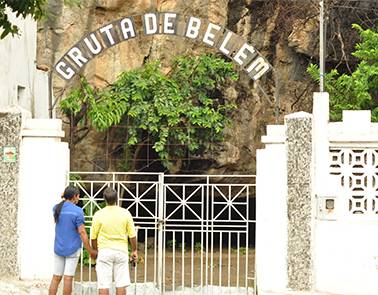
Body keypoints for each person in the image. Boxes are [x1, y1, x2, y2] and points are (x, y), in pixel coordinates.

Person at [49, 186, 97, 295]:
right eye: (78, 196)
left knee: (56, 277)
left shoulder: (56, 208)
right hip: (72, 249)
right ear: (75, 196)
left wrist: (64, 196)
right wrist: (90, 250)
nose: (79, 198)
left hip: (58, 247)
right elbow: (82, 232)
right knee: (68, 278)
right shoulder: (78, 211)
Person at [91, 187, 138, 295]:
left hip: (104, 251)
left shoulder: (98, 214)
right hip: (121, 251)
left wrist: (96, 251)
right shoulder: (125, 213)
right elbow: (132, 236)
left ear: (104, 199)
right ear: (117, 199)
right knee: (121, 284)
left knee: (103, 284)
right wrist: (134, 250)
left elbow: (93, 238)